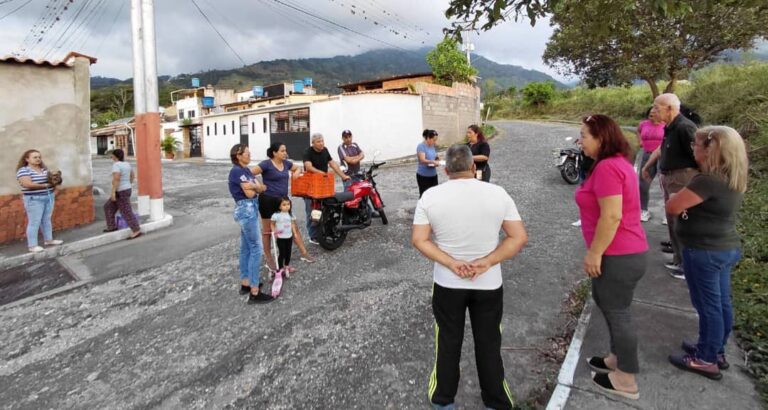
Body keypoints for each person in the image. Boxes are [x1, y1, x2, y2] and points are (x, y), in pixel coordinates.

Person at [412, 144, 528, 410]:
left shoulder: (430, 197)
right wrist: (486, 262)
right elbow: (518, 237)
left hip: (447, 283)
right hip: (488, 283)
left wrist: (452, 263)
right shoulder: (497, 193)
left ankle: (443, 400)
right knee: (489, 341)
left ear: (445, 169)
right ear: (473, 167)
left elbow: (419, 240)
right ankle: (497, 402)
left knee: (448, 340)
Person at [666, 126, 748, 380]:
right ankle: (714, 349)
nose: (693, 148)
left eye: (696, 144)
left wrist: (677, 194)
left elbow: (672, 205)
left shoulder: (706, 181)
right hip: (724, 248)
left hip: (704, 251)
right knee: (721, 304)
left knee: (708, 307)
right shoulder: (731, 176)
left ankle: (705, 359)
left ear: (711, 149)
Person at [575, 115, 647, 400]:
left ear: (601, 138)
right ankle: (616, 359)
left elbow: (613, 215)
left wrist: (595, 253)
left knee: (618, 314)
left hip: (618, 254)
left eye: (584, 135)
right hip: (624, 253)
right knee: (613, 309)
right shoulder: (616, 163)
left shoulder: (607, 168)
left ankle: (626, 379)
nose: (580, 141)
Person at [642, 93, 699, 278]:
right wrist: (648, 165)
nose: (654, 111)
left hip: (681, 178)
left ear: (669, 108)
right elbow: (661, 149)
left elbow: (698, 156)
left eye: (657, 107)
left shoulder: (685, 128)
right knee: (672, 218)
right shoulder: (670, 127)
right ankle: (677, 254)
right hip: (670, 178)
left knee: (682, 220)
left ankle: (685, 264)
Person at [252, 142, 313, 274]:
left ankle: (304, 252)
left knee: (293, 226)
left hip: (283, 201)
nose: (285, 153)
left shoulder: (286, 164)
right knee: (268, 230)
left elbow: (298, 168)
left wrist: (296, 173)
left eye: (285, 150)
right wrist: (259, 186)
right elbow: (249, 173)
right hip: (267, 200)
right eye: (282, 151)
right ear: (274, 153)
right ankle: (269, 258)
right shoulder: (266, 164)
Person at [228, 144, 273, 305]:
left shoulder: (246, 170)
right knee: (256, 248)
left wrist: (255, 187)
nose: (249, 155)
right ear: (238, 155)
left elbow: (261, 187)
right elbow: (250, 192)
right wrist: (256, 187)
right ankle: (255, 291)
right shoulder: (237, 172)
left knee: (246, 247)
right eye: (247, 153)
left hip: (250, 208)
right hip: (246, 210)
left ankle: (246, 283)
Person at [302, 133, 351, 244]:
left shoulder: (325, 150)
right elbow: (308, 167)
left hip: (323, 184)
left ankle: (325, 230)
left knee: (326, 207)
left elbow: (332, 164)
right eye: (318, 142)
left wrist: (343, 176)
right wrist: (321, 173)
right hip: (310, 186)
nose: (321, 143)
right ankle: (313, 236)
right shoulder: (308, 152)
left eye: (322, 141)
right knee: (312, 211)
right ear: (313, 143)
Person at [16, 149, 64, 253]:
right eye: (35, 157)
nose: (38, 159)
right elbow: (27, 184)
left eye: (39, 157)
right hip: (34, 199)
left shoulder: (44, 170)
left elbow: (54, 182)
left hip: (48, 197)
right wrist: (46, 185)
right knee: (34, 222)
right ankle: (32, 246)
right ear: (27, 159)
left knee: (46, 220)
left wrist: (55, 187)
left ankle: (48, 240)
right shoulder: (24, 170)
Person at [102, 149, 142, 240]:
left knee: (126, 211)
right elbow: (132, 175)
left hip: (120, 191)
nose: (111, 157)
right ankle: (112, 227)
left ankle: (136, 230)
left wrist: (113, 192)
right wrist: (129, 184)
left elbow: (116, 179)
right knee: (108, 206)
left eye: (112, 155)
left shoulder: (116, 165)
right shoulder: (127, 164)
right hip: (126, 189)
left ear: (115, 156)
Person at [636, 109, 666, 222]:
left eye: (654, 114)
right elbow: (638, 131)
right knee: (643, 184)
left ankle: (667, 213)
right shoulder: (643, 124)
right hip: (647, 154)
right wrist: (640, 141)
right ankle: (644, 210)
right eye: (650, 114)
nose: (651, 116)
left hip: (661, 156)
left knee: (664, 184)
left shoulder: (666, 125)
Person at [270, 197, 302, 278]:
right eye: (284, 205)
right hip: (281, 238)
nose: (287, 206)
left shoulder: (291, 215)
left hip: (289, 237)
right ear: (279, 206)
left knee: (288, 252)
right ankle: (280, 268)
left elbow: (293, 224)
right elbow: (272, 224)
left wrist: (295, 233)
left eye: (288, 204)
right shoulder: (276, 215)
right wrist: (274, 232)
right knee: (282, 253)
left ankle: (287, 265)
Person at [416, 129, 440, 198]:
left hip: (433, 175)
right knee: (424, 196)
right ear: (428, 138)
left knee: (434, 195)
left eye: (436, 140)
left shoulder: (432, 146)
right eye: (434, 140)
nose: (435, 142)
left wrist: (437, 159)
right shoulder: (421, 146)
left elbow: (434, 156)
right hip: (424, 176)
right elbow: (422, 160)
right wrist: (432, 162)